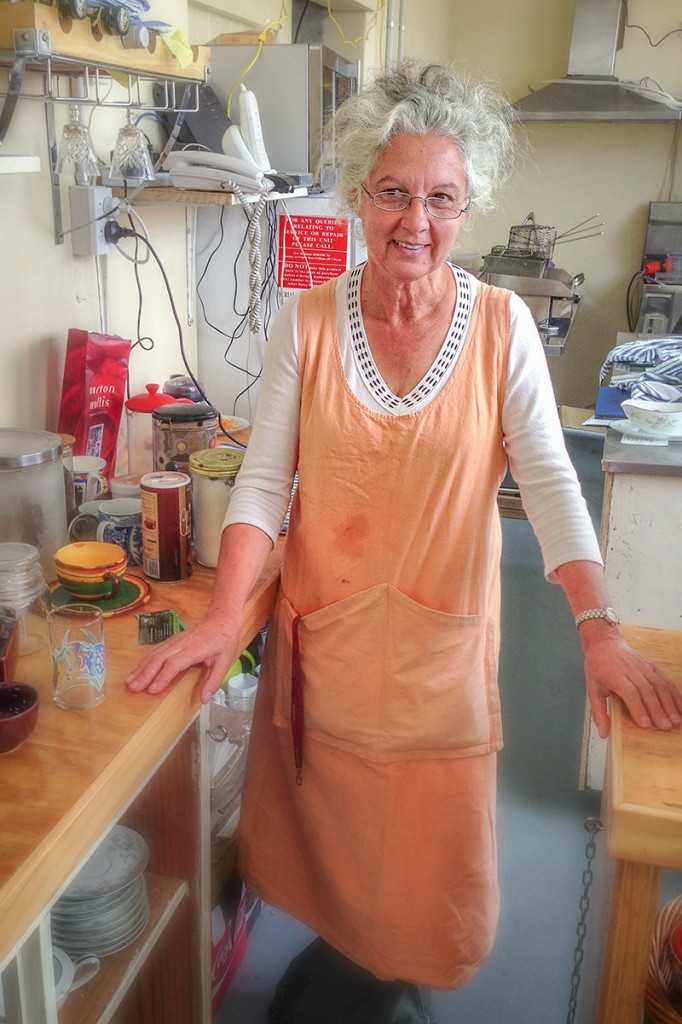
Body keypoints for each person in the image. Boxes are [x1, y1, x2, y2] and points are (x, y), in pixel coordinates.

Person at [126, 60, 682, 1021]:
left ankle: (389, 980)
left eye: (441, 198)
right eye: (392, 192)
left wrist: (596, 623)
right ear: (356, 194)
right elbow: (264, 481)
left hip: (439, 665)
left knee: (424, 872)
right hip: (326, 647)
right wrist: (225, 619)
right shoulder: (306, 322)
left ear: (468, 209)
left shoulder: (501, 325)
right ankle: (355, 971)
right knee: (330, 848)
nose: (413, 221)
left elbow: (549, 478)